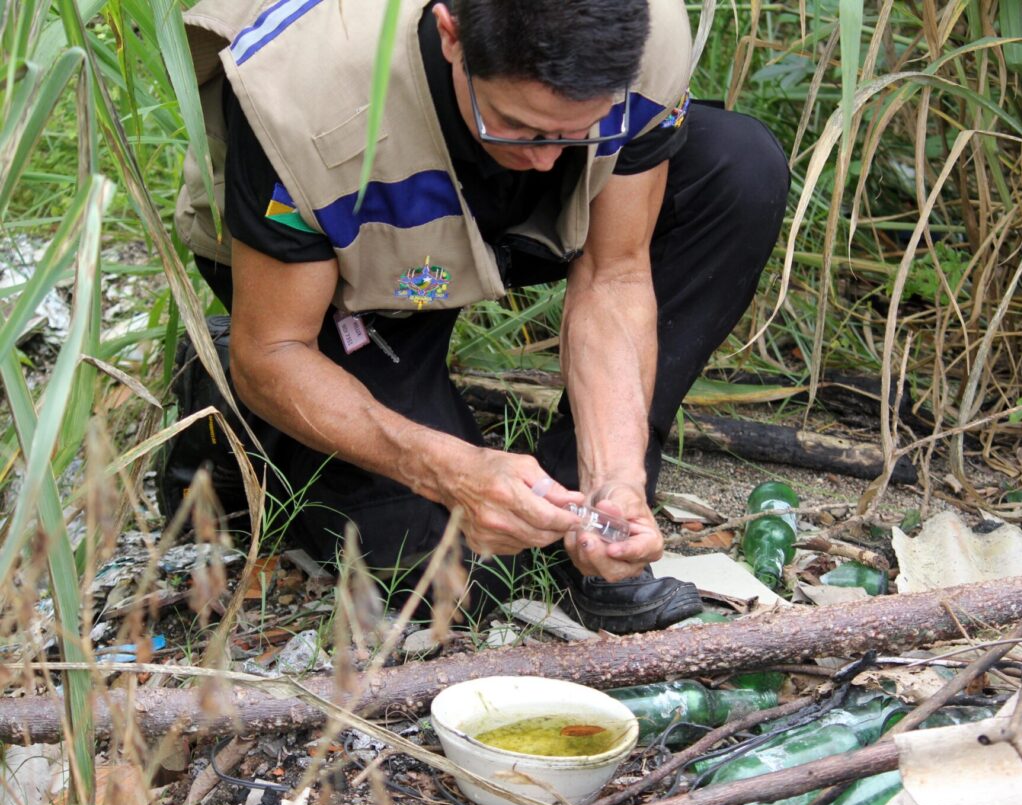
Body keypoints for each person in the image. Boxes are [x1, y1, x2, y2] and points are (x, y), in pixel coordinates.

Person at [168, 0, 789, 634]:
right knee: (452, 578)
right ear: (452, 35)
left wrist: (615, 477)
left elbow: (614, 273)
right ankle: (227, 398)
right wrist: (452, 472)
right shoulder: (299, 96)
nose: (551, 161)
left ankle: (583, 525)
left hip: (499, 231)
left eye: (578, 130)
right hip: (338, 273)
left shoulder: (646, 32)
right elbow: (275, 349)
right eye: (523, 127)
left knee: (736, 170)